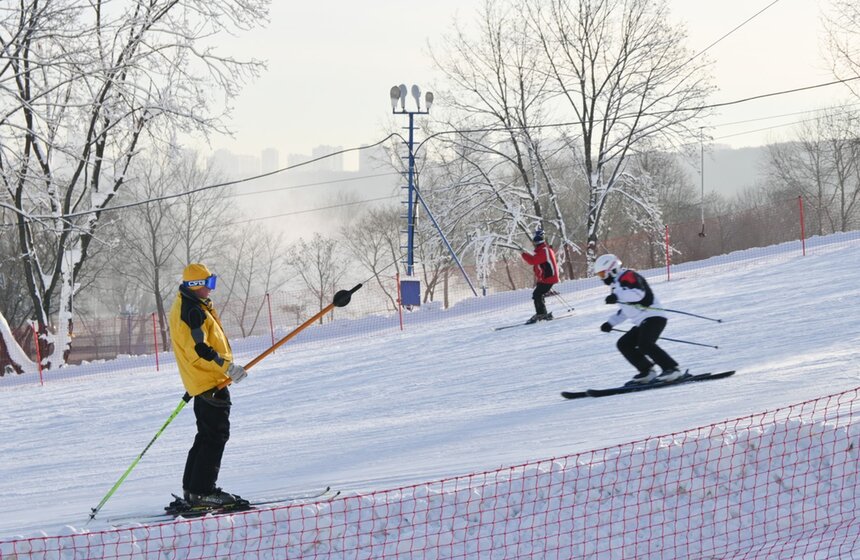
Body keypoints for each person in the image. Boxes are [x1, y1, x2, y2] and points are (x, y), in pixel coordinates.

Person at [168, 263, 249, 509]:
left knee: (206, 435)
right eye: (209, 284)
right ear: (195, 285)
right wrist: (227, 368)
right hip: (210, 380)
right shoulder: (192, 310)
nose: (211, 289)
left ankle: (193, 490)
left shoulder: (190, 304)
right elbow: (200, 350)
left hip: (202, 380)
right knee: (215, 436)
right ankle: (204, 492)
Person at [594, 254, 686, 385]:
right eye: (600, 275)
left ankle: (672, 369)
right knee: (624, 343)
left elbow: (639, 294)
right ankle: (647, 371)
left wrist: (617, 296)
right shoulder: (616, 285)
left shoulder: (628, 276)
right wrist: (610, 323)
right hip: (642, 322)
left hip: (654, 317)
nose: (602, 278)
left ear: (612, 269)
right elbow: (625, 310)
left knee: (645, 344)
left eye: (603, 274)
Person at [521, 228, 559, 324]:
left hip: (549, 278)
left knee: (537, 294)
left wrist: (523, 254)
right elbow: (536, 260)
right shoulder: (542, 250)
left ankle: (541, 314)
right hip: (546, 278)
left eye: (534, 241)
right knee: (538, 294)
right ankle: (542, 313)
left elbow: (533, 261)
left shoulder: (544, 251)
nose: (533, 243)